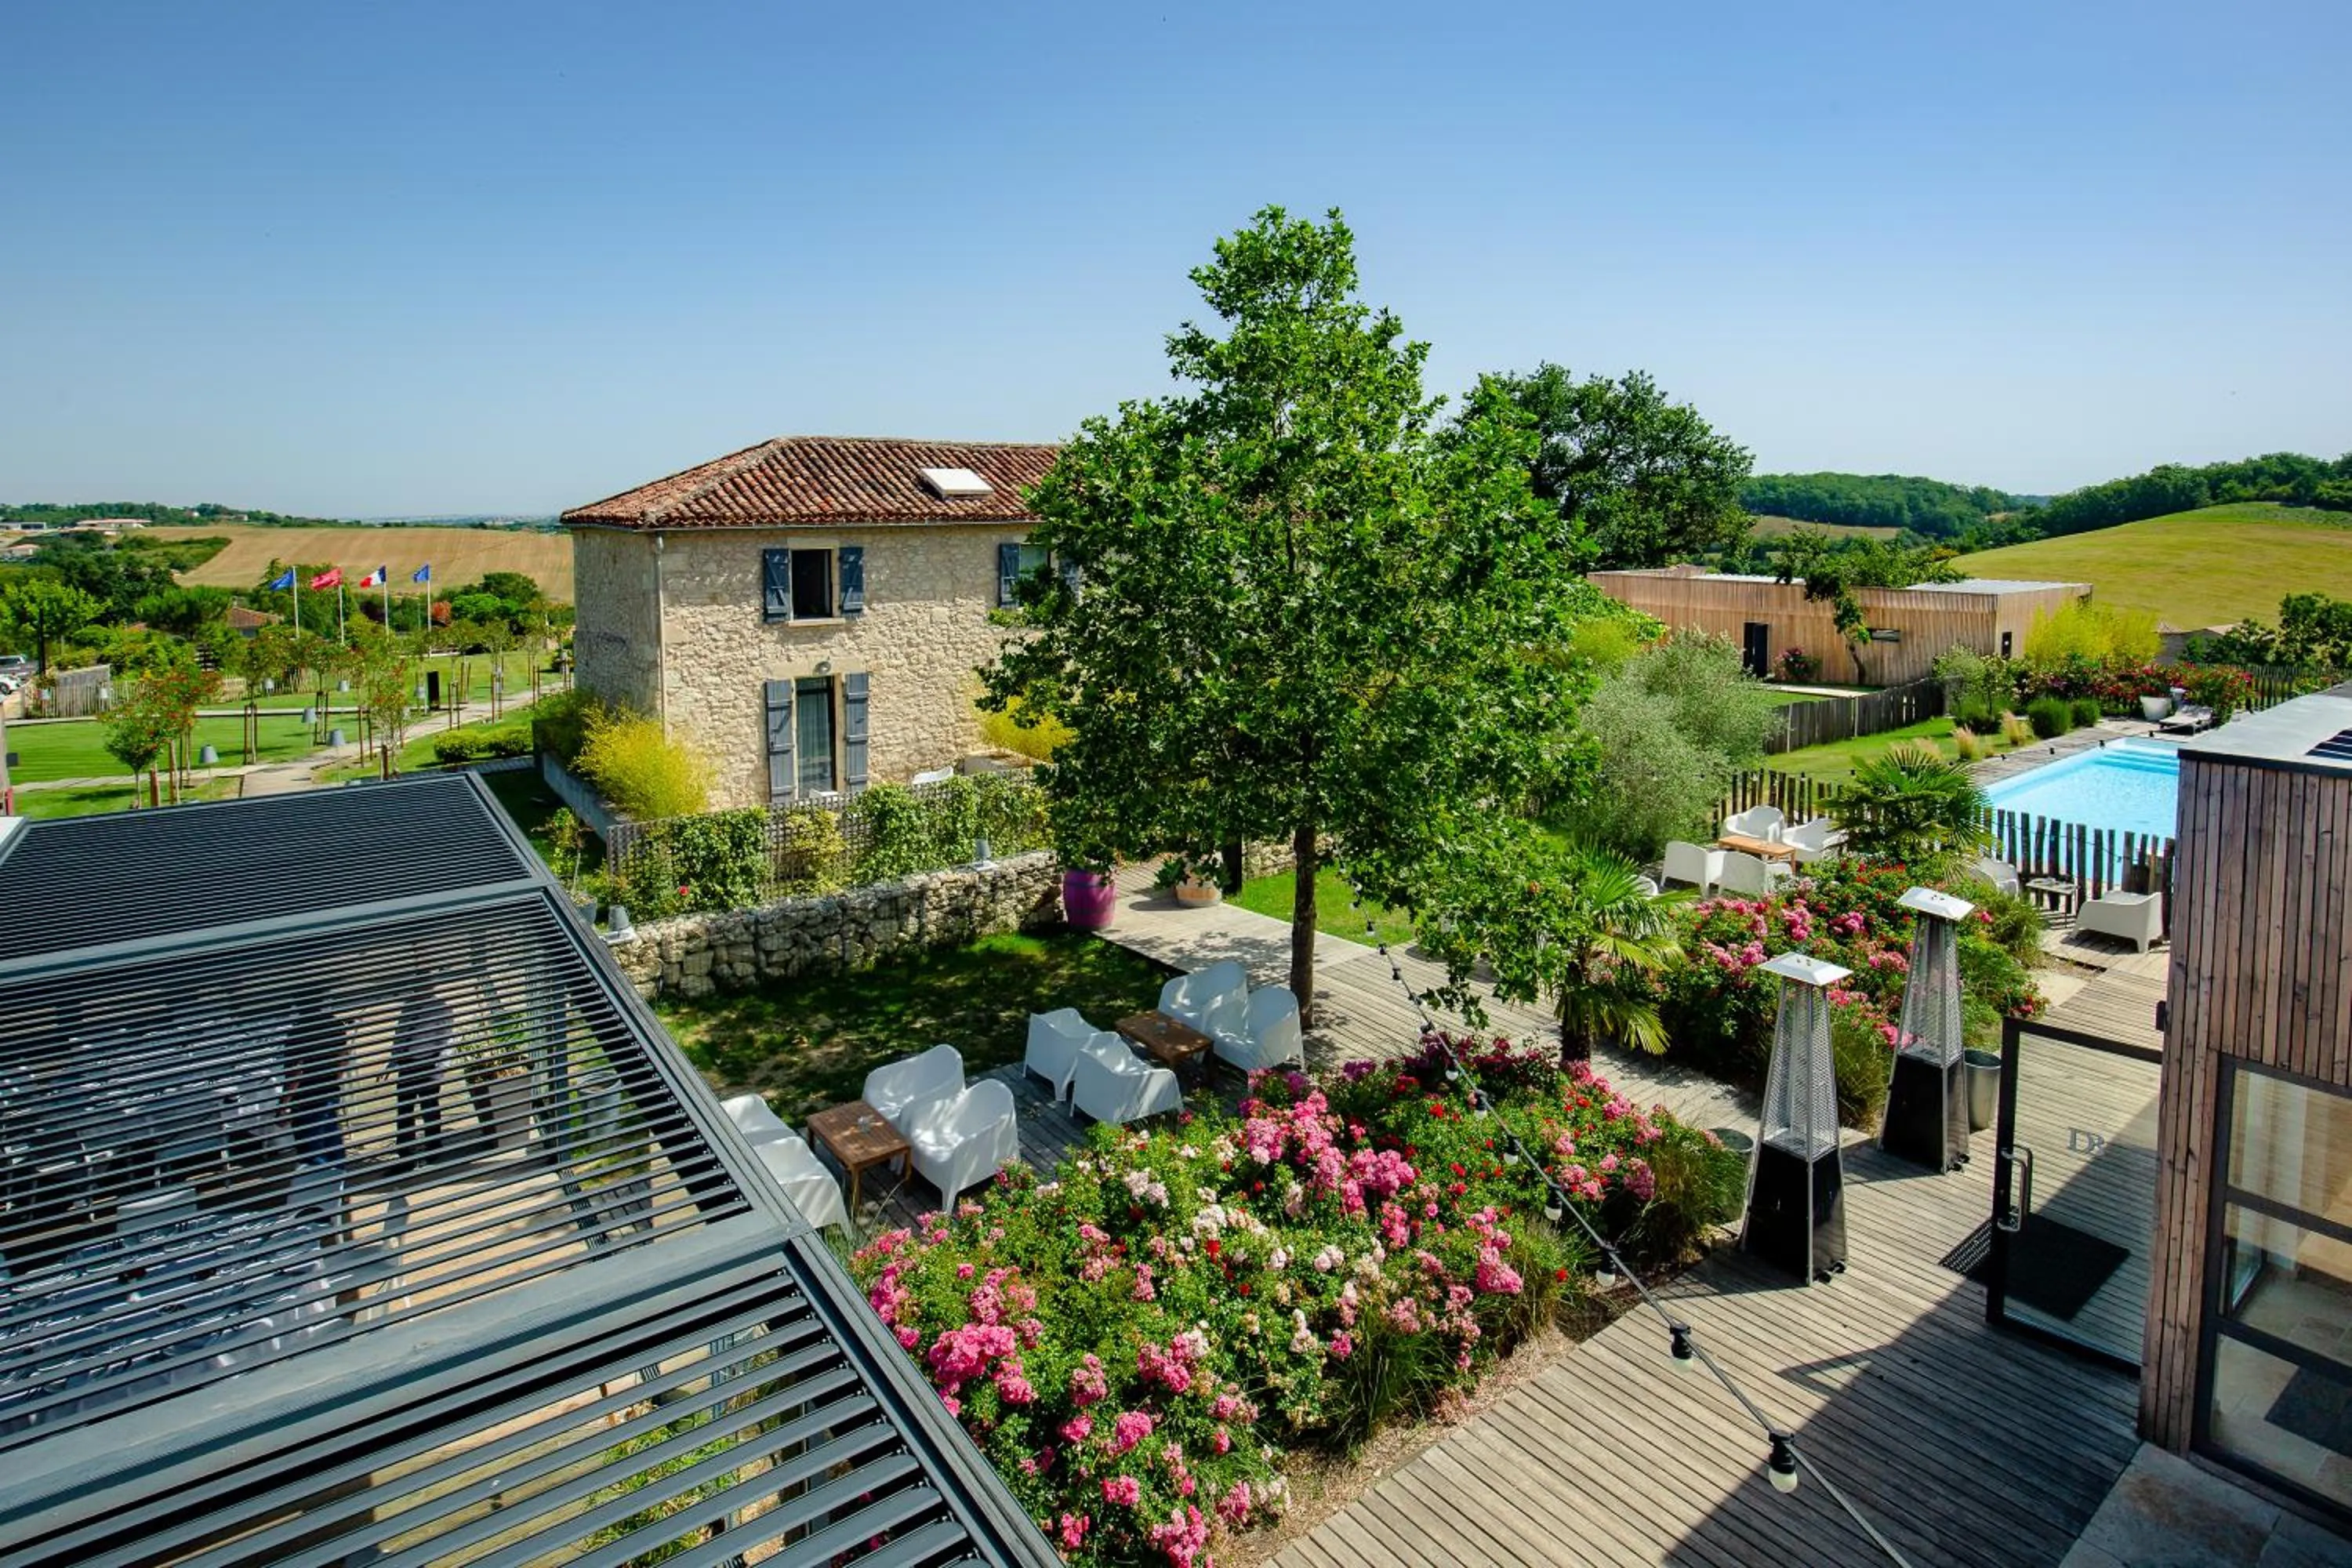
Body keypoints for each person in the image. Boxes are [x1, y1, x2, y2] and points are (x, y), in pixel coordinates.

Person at [391, 989, 454, 1170]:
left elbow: (448, 1040)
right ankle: (405, 1154)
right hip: (407, 1064)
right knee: (404, 1110)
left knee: (429, 1109)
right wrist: (393, 1061)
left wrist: (440, 1068)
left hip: (428, 1063)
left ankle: (433, 1148)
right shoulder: (408, 1007)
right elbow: (400, 1034)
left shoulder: (440, 1008)